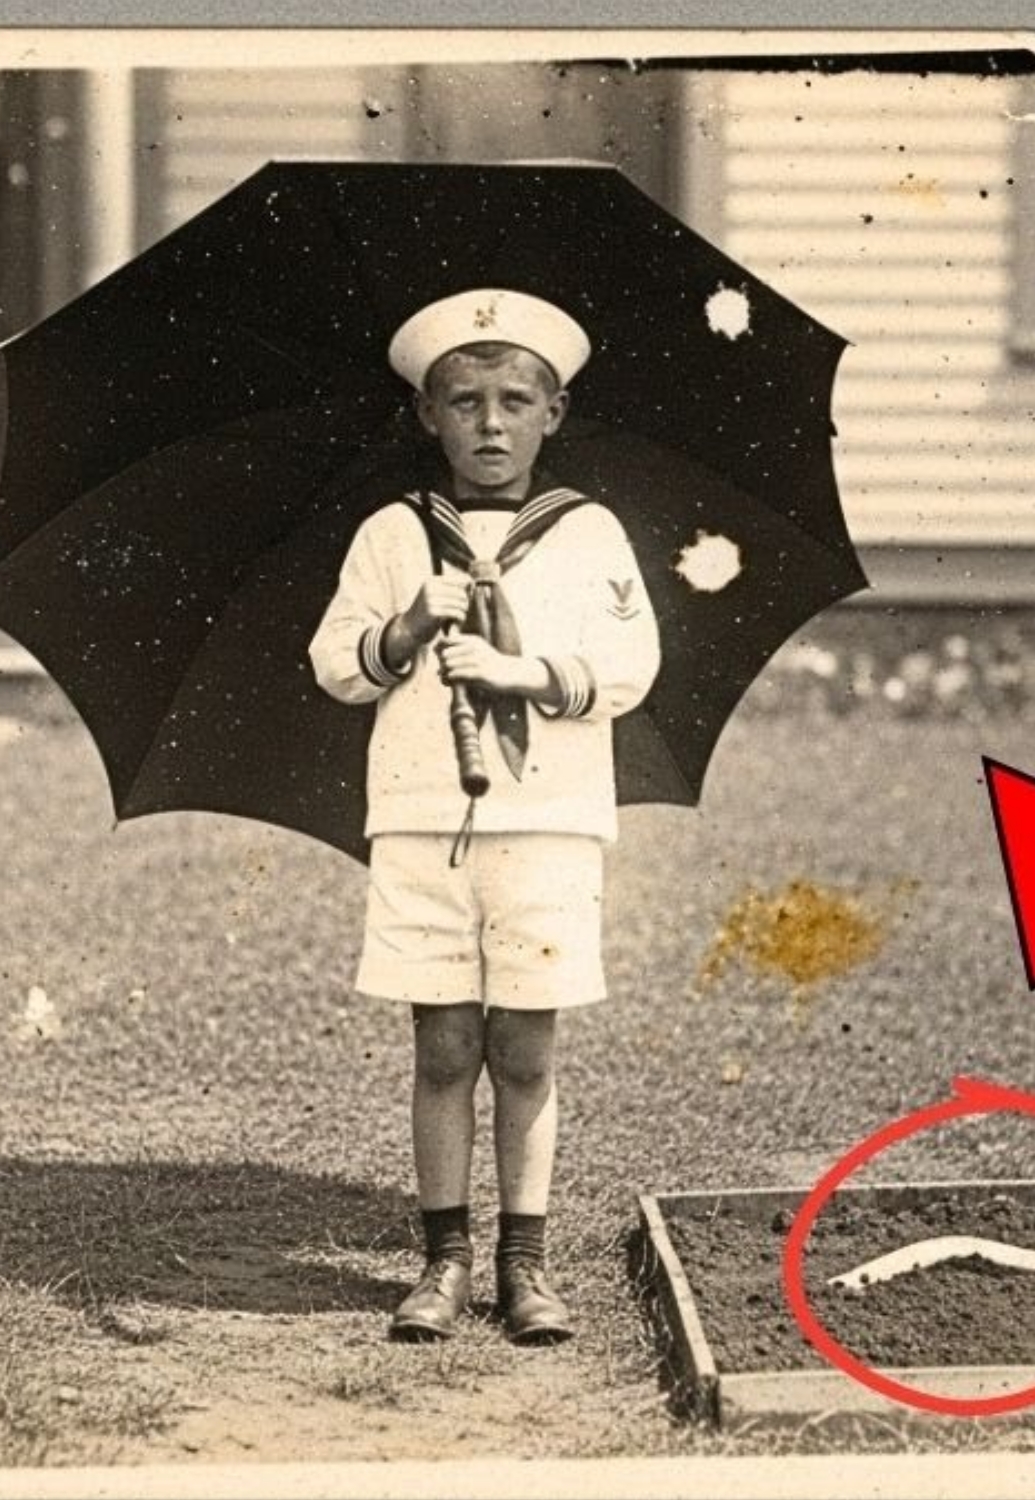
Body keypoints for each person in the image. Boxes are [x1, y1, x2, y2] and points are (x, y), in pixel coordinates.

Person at [309, 288, 661, 1344]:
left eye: (517, 401)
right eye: (464, 403)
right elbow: (335, 664)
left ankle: (526, 1264)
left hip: (550, 820)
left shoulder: (589, 533)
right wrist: (409, 628)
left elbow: (632, 665)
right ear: (428, 416)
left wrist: (521, 671)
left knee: (526, 1047)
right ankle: (444, 1259)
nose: (491, 424)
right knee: (444, 1042)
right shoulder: (394, 535)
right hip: (423, 822)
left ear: (555, 413)